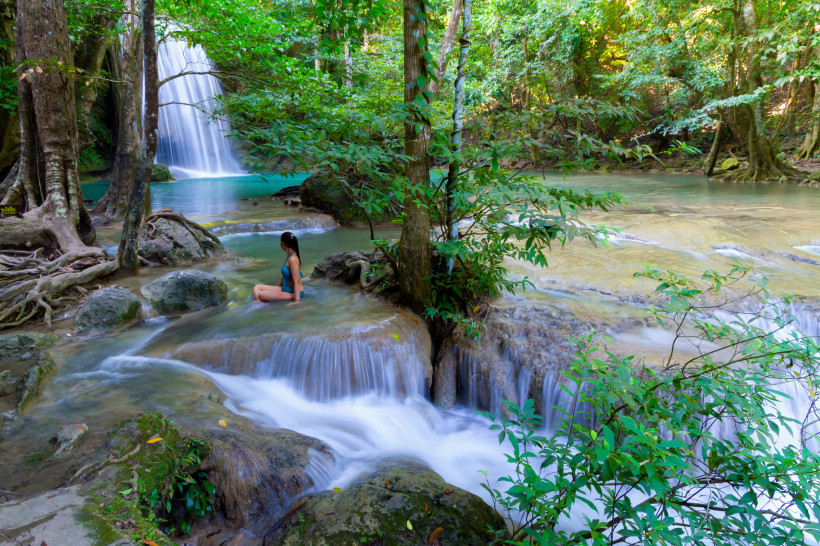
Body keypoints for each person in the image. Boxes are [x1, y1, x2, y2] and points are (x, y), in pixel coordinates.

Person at [252, 231, 304, 303]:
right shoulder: (289, 256)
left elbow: (297, 281)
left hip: (294, 293)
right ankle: (261, 305)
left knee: (261, 294)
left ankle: (261, 306)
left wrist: (296, 301)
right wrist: (276, 289)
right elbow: (284, 275)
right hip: (285, 289)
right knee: (257, 287)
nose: (280, 244)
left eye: (280, 242)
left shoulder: (293, 259)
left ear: (282, 243)